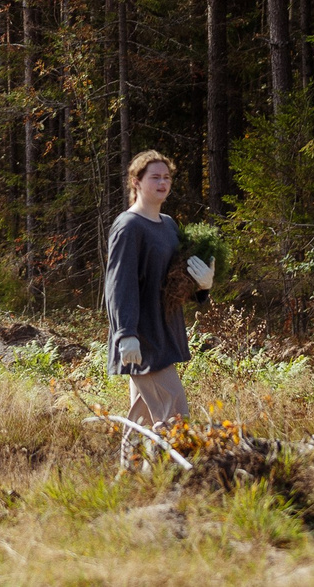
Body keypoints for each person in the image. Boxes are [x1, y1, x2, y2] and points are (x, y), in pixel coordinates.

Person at [103, 150, 213, 430]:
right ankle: (177, 471)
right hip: (142, 337)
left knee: (142, 419)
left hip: (165, 333)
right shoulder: (128, 226)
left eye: (166, 177)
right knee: (175, 413)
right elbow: (119, 284)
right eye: (155, 177)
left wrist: (202, 286)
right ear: (136, 182)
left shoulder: (168, 225)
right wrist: (125, 334)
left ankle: (135, 472)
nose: (162, 183)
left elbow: (172, 282)